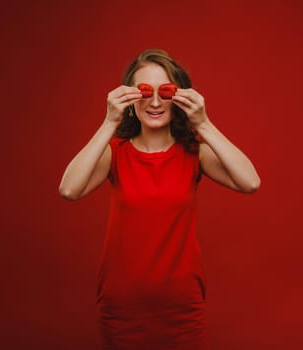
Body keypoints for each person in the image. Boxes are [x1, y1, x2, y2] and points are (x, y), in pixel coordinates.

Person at [59, 49, 260, 349]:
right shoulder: (116, 153)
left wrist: (203, 123)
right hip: (122, 310)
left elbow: (251, 182)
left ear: (178, 98)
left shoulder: (194, 152)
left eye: (164, 92)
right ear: (128, 99)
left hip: (181, 310)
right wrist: (108, 122)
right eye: (143, 92)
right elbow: (69, 189)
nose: (154, 102)